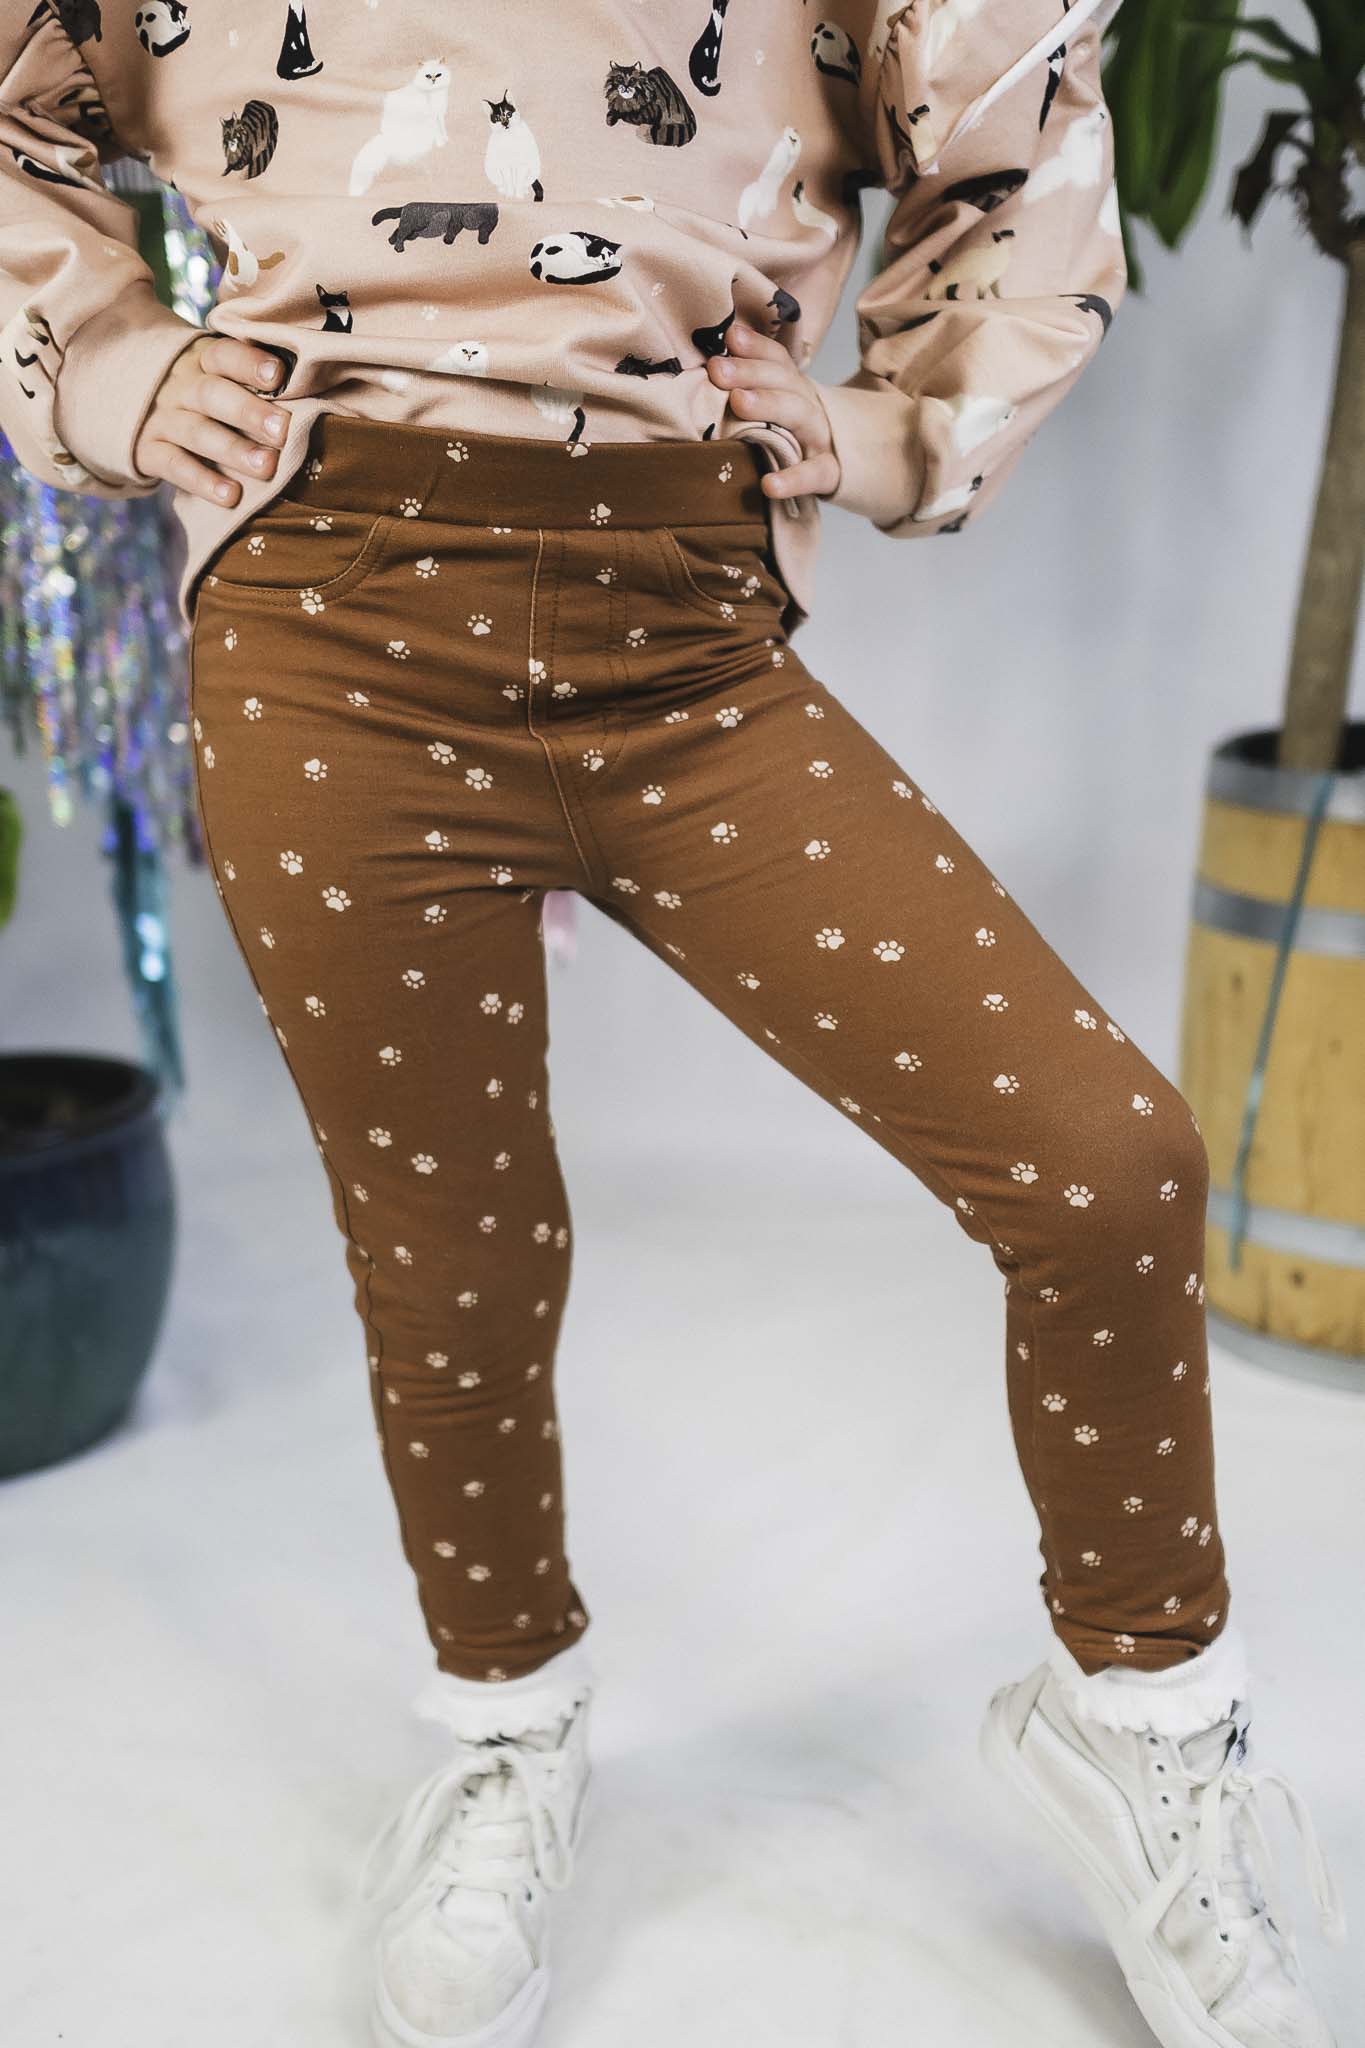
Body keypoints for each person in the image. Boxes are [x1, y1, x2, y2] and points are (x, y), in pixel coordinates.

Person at [0, 4, 1345, 2045]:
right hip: (330, 624)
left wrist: (890, 425)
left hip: (684, 641)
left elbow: (1002, 115)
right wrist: (113, 365)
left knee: (1104, 1166)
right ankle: (503, 1726)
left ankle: (1144, 1724)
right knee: (450, 1259)